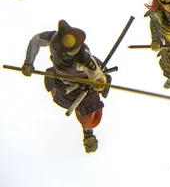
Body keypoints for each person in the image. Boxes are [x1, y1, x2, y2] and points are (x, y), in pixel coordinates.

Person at [20, 20, 108, 153]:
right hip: (61, 81)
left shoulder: (83, 57)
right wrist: (28, 62)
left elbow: (95, 71)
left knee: (90, 118)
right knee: (59, 94)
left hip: (84, 84)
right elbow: (36, 40)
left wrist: (98, 81)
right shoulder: (51, 38)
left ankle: (88, 132)